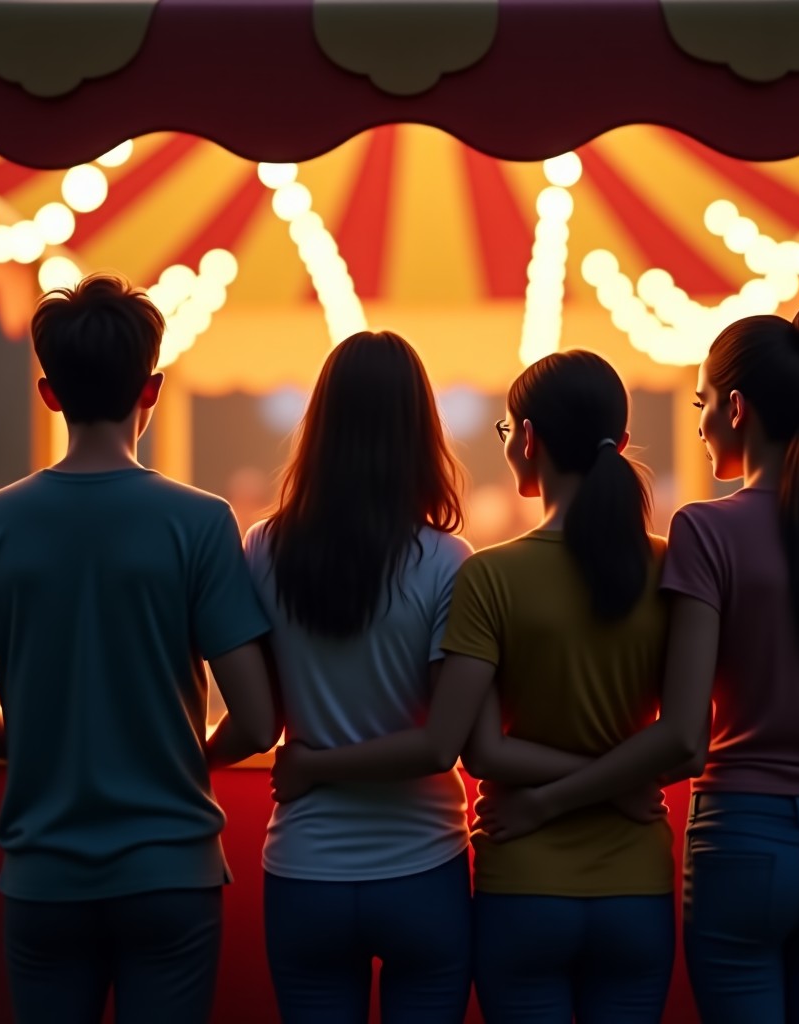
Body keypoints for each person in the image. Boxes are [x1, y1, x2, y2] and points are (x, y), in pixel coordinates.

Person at [479, 306, 799, 1024]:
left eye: (703, 404)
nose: (699, 423)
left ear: (738, 407)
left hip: (741, 841)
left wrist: (547, 800)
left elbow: (685, 736)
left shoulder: (706, 530)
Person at [273, 349, 680, 1024]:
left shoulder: (490, 575)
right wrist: (621, 779)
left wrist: (545, 803)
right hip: (621, 878)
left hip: (508, 879)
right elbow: (686, 738)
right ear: (622, 443)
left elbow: (479, 750)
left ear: (527, 440)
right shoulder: (669, 565)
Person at [0, 273, 279, 1024]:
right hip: (170, 872)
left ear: (49, 394)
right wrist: (182, 754)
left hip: (44, 875)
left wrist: (44, 744)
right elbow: (256, 718)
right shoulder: (199, 523)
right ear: (151, 388)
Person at [244, 330, 474, 1024]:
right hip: (423, 867)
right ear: (420, 430)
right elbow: (442, 745)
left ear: (320, 426)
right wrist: (319, 766)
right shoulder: (446, 560)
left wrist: (315, 768)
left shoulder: (264, 547)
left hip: (305, 868)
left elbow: (265, 715)